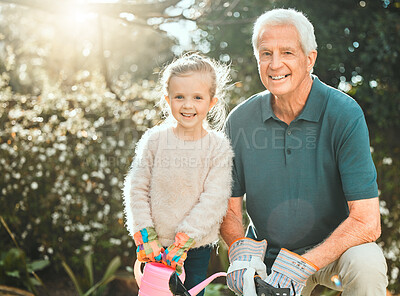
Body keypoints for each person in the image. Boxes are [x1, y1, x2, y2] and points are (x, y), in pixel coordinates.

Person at [221, 8, 388, 296]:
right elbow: (229, 208)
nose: (275, 64)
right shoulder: (239, 121)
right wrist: (241, 253)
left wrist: (301, 264)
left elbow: (367, 221)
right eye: (265, 53)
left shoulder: (344, 114)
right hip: (268, 259)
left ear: (309, 59)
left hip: (332, 252)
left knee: (367, 262)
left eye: (287, 52)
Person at [123, 53, 233, 296]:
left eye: (197, 97)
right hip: (154, 246)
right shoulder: (154, 140)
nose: (187, 105)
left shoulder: (218, 147)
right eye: (179, 97)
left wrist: (183, 241)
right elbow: (136, 188)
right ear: (167, 99)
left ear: (211, 102)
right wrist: (145, 235)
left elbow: (214, 199)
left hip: (194, 249)